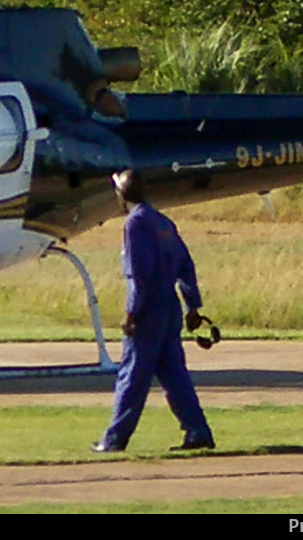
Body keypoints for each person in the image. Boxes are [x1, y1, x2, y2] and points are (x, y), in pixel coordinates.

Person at [92, 169, 215, 453]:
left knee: (132, 376)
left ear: (123, 193)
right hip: (169, 308)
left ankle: (114, 441)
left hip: (149, 309)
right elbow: (186, 265)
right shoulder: (162, 221)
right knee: (174, 375)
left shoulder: (134, 224)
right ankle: (198, 432)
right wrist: (192, 306)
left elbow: (139, 275)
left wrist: (132, 313)